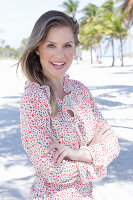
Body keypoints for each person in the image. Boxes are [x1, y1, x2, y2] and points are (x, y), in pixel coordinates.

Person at [19, 10, 120, 200]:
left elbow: (113, 145)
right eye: (51, 45)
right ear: (37, 49)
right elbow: (53, 170)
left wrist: (78, 154)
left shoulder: (80, 91)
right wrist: (97, 160)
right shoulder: (34, 98)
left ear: (75, 47)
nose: (60, 55)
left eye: (67, 45)